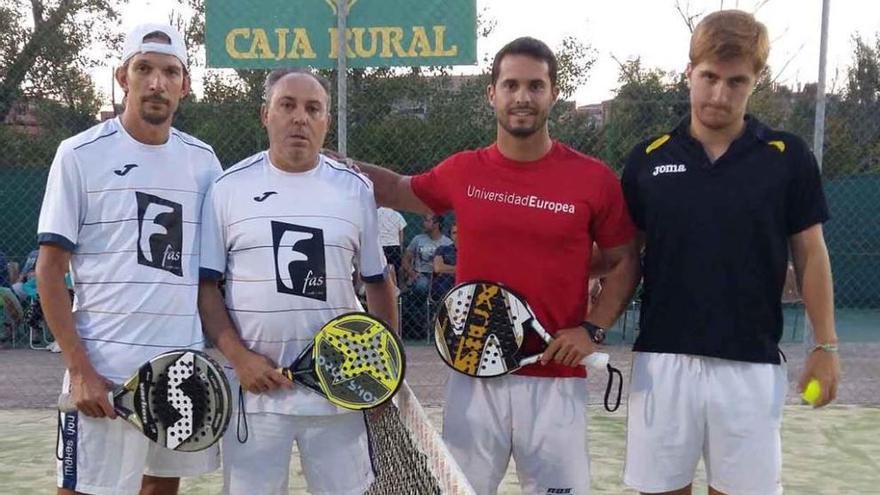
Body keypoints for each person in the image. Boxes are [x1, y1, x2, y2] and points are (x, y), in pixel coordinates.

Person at [345, 37, 639, 495]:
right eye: (511, 85)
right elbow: (398, 188)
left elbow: (624, 262)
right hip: (473, 377)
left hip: (556, 382)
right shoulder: (464, 171)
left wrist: (592, 329)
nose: (523, 97)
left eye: (535, 86)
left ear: (553, 94)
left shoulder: (593, 178)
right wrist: (331, 165)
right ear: (492, 94)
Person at [620, 11, 841, 495]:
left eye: (736, 81)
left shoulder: (788, 156)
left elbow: (812, 256)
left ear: (756, 80)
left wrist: (825, 346)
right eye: (709, 78)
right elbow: (624, 257)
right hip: (663, 360)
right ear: (689, 72)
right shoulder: (648, 158)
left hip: (751, 363)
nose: (719, 94)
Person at [35, 23, 222, 495]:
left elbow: (213, 274)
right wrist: (80, 369)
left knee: (160, 488)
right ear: (123, 77)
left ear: (185, 85)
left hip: (179, 372)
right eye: (144, 69)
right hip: (103, 372)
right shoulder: (78, 154)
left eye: (169, 72)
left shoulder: (204, 163)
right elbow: (51, 269)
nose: (156, 83)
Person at [197, 67, 397, 495]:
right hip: (256, 395)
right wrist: (239, 358)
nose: (300, 118)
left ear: (326, 121)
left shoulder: (355, 190)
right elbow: (207, 288)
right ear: (265, 114)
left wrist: (387, 371)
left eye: (313, 109)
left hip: (340, 392)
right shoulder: (227, 188)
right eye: (287, 105)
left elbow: (379, 282)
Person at [401, 214, 452, 337]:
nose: (423, 223)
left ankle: (435, 322)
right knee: (422, 285)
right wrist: (411, 272)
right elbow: (405, 259)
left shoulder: (446, 242)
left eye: (427, 220)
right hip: (420, 274)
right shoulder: (418, 239)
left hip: (439, 276)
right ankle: (419, 325)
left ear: (436, 224)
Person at [377, 206, 407, 284]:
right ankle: (395, 289)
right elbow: (401, 235)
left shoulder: (375, 213)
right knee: (394, 272)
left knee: (379, 272)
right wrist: (400, 249)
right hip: (394, 246)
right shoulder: (397, 215)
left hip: (380, 246)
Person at [431, 219, 457, 298]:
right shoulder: (442, 249)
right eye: (454, 233)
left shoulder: (471, 251)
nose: (458, 235)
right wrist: (462, 270)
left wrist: (447, 269)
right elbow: (438, 268)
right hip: (445, 285)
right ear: (451, 235)